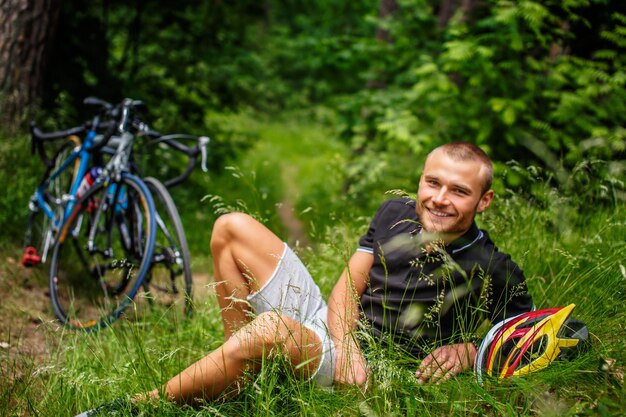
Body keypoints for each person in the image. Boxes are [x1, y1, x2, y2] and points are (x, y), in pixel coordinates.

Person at [79, 142, 533, 414]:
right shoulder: (395, 213)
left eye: (459, 191)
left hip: (378, 371)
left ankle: (136, 407)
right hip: (336, 333)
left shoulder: (491, 265)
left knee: (272, 329)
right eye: (432, 183)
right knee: (231, 227)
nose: (439, 199)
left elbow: (543, 334)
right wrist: (348, 343)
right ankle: (237, 377)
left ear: (484, 200)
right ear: (420, 181)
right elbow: (345, 290)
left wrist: (470, 347)